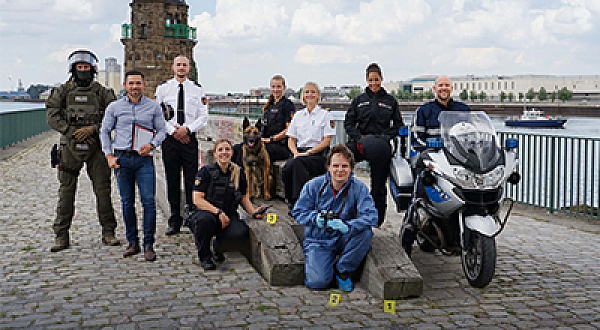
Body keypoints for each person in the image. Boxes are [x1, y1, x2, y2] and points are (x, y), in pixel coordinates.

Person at [46, 49, 120, 252]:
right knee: (66, 193)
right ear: (73, 69)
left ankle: (108, 232)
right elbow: (52, 115)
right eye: (80, 67)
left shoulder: (101, 92)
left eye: (86, 67)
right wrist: (71, 130)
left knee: (103, 191)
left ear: (93, 69)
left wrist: (93, 129)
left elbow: (114, 113)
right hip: (69, 147)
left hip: (96, 146)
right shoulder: (63, 91)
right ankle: (61, 235)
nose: (83, 71)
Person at [100, 69, 167, 262]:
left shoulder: (153, 107)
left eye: (138, 83)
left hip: (144, 159)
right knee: (127, 202)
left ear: (144, 85)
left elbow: (162, 131)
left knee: (148, 202)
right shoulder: (114, 107)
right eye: (131, 83)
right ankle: (132, 242)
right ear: (125, 85)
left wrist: (153, 144)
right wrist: (109, 155)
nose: (135, 87)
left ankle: (148, 244)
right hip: (122, 159)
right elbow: (104, 131)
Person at [291, 144, 378, 292]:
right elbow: (298, 212)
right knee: (317, 283)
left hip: (344, 237)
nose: (340, 170)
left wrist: (349, 226)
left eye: (344, 166)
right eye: (335, 165)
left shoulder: (359, 188)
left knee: (365, 232)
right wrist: (315, 218)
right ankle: (323, 266)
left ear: (351, 168)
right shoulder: (313, 186)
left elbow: (372, 216)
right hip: (319, 240)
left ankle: (343, 270)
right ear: (328, 167)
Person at [401, 75, 470, 256]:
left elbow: (474, 134)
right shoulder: (424, 111)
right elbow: (415, 138)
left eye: (446, 85)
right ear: (434, 89)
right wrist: (429, 147)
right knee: (420, 190)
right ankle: (408, 229)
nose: (443, 88)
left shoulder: (463, 110)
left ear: (452, 88)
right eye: (440, 85)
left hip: (456, 160)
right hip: (430, 159)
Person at [188, 139, 266, 270]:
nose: (224, 152)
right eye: (220, 150)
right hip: (208, 213)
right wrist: (218, 213)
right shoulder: (205, 172)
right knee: (204, 221)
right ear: (215, 153)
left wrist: (253, 212)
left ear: (232, 152)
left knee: (240, 233)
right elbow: (197, 199)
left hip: (229, 214)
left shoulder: (238, 172)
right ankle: (205, 256)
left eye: (227, 149)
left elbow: (243, 196)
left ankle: (219, 246)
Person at [344, 63, 404, 226]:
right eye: (370, 80)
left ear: (381, 79)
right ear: (366, 80)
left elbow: (398, 125)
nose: (374, 83)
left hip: (380, 145)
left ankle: (376, 219)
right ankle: (345, 207)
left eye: (376, 79)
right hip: (360, 142)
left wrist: (385, 137)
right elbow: (348, 124)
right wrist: (358, 137)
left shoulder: (390, 101)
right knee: (341, 158)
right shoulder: (358, 101)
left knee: (378, 184)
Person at [155, 55, 209, 236]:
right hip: (170, 140)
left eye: (184, 65)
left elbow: (203, 116)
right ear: (173, 67)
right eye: (178, 65)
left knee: (191, 180)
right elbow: (158, 115)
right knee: (172, 180)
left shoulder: (197, 90)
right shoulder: (163, 89)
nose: (181, 68)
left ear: (189, 68)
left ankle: (192, 217)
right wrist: (174, 132)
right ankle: (174, 220)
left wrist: (187, 129)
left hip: (189, 139)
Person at [282, 81, 336, 211]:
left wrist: (309, 153)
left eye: (313, 92)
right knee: (286, 168)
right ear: (303, 96)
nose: (310, 94)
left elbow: (327, 141)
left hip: (317, 154)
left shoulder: (325, 115)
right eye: (307, 92)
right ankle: (291, 199)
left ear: (318, 95)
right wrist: (295, 153)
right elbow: (291, 139)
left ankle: (301, 202)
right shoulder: (298, 116)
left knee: (298, 164)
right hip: (299, 153)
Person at [232, 74, 295, 167]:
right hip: (264, 142)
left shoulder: (287, 105)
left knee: (247, 153)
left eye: (278, 87)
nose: (276, 89)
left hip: (280, 146)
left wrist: (271, 139)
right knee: (236, 149)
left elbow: (289, 130)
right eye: (273, 87)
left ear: (284, 87)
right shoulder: (269, 106)